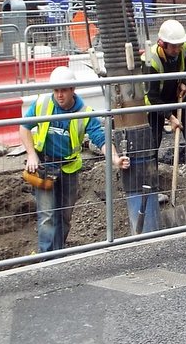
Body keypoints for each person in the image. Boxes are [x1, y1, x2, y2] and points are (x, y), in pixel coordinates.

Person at [20, 65, 126, 251]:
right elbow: (24, 127)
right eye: (56, 90)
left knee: (65, 216)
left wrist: (115, 159)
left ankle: (58, 252)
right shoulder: (42, 104)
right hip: (44, 165)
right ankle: (46, 259)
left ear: (72, 90)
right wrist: (31, 154)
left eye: (63, 91)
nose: (59, 95)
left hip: (68, 169)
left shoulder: (84, 112)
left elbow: (101, 140)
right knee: (47, 217)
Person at [146, 18, 186, 175]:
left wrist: (183, 83)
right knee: (154, 137)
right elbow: (152, 96)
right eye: (173, 47)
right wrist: (170, 117)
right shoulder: (150, 61)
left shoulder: (184, 47)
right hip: (157, 101)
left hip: (177, 92)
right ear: (162, 44)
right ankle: (150, 172)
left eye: (179, 46)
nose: (177, 50)